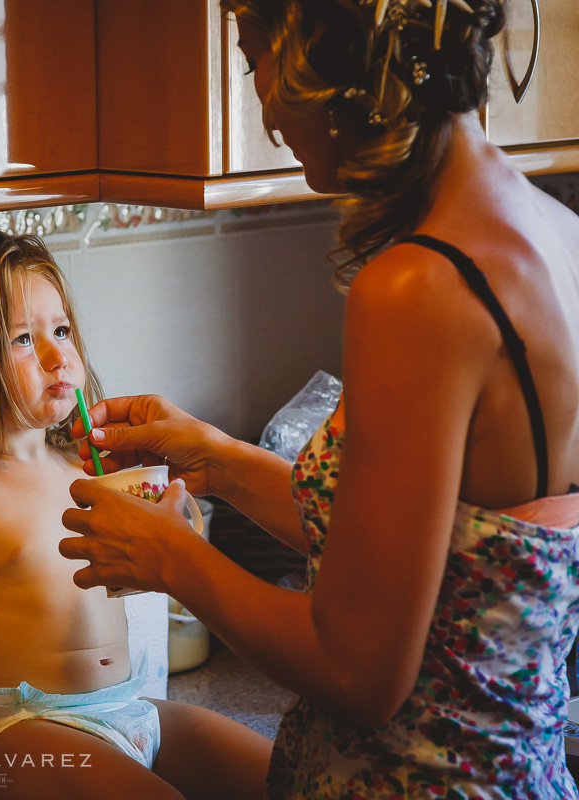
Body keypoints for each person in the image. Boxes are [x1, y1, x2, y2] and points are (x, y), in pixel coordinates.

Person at [58, 0, 579, 797]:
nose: (264, 109)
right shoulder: (551, 232)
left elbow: (358, 671)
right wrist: (220, 461)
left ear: (326, 54)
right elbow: (428, 554)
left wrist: (171, 557)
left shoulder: (419, 285)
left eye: (254, 57)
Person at [0, 230, 270, 800]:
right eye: (23, 340)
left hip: (129, 710)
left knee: (288, 778)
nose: (60, 355)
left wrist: (176, 513)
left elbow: (160, 562)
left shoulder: (92, 468)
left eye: (60, 330)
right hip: (19, 735)